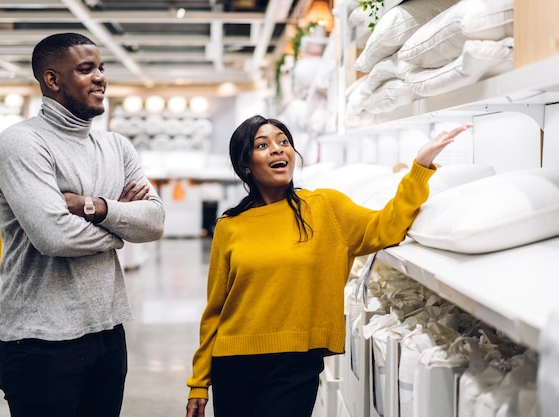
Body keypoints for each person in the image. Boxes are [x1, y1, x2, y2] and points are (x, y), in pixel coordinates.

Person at [185, 115, 472, 417]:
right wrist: (199, 382)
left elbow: (385, 227)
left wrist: (420, 167)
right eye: (262, 145)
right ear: (246, 165)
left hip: (296, 361)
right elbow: (215, 308)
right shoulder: (230, 226)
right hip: (233, 361)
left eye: (284, 142)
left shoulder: (325, 208)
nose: (277, 149)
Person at [0, 32, 165, 417]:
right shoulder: (22, 143)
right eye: (86, 69)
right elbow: (53, 235)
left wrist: (95, 207)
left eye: (101, 68)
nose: (101, 77)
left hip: (107, 332)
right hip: (41, 342)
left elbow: (153, 222)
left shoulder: (117, 147)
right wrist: (121, 227)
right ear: (52, 80)